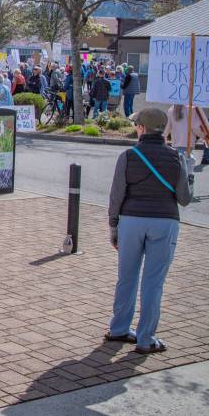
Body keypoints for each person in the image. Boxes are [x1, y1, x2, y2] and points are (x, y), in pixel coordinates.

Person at [106, 108, 192, 354]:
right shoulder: (176, 157)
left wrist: (114, 226)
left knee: (127, 277)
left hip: (131, 220)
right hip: (164, 221)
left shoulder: (128, 155)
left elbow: (116, 195)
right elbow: (184, 199)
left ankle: (119, 328)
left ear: (142, 128)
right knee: (153, 282)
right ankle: (146, 338)